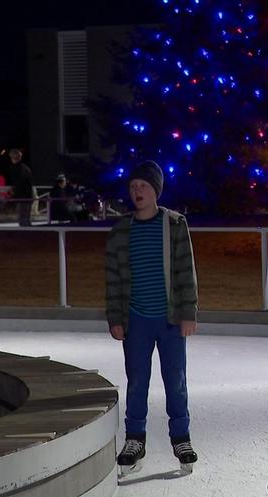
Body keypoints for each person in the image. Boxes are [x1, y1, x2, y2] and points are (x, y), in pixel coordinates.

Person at [105, 160, 200, 476]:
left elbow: (186, 271)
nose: (137, 192)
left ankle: (181, 437)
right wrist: (115, 318)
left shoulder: (174, 224)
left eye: (143, 186)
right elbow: (113, 278)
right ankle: (135, 438)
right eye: (133, 187)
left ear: (156, 190)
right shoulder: (121, 230)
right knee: (137, 381)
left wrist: (188, 313)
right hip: (136, 320)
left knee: (176, 380)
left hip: (170, 319)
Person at [5, 148, 34, 226]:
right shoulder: (24, 167)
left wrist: (13, 193)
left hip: (22, 197)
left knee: (23, 218)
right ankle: (29, 234)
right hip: (27, 196)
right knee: (26, 218)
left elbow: (19, 184)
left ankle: (25, 235)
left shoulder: (17, 169)